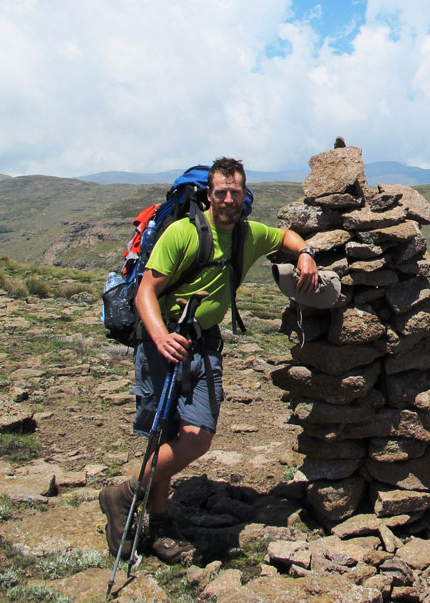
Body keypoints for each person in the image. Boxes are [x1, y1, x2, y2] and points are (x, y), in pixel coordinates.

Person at [99, 157, 319, 563]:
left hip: (204, 345)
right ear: (209, 194)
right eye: (221, 192)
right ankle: (160, 524)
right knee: (165, 436)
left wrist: (304, 252)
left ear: (244, 194)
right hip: (163, 343)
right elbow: (146, 291)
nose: (228, 199)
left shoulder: (248, 235)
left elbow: (284, 236)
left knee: (197, 436)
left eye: (236, 192)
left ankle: (124, 492)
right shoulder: (182, 234)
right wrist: (161, 336)